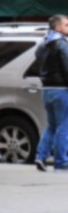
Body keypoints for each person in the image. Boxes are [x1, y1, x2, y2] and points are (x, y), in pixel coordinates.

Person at [34, 13, 68, 172]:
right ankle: (61, 161)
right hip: (61, 90)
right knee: (63, 126)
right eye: (66, 25)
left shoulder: (43, 43)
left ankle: (40, 157)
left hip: (46, 89)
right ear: (58, 27)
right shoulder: (61, 44)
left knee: (52, 125)